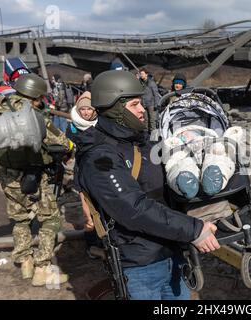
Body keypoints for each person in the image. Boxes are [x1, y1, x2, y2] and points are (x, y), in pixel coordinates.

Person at [77, 70, 220, 300]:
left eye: (142, 103)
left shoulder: (142, 143)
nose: (142, 109)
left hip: (172, 252)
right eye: (135, 104)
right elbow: (133, 208)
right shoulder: (99, 156)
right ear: (115, 108)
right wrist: (193, 230)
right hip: (140, 266)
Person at [0, 73, 73, 287]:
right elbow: (62, 142)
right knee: (51, 220)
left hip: (8, 176)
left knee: (20, 220)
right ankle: (42, 269)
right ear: (36, 95)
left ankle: (25, 262)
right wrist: (71, 147)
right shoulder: (35, 116)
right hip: (34, 176)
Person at [65, 91, 101, 256]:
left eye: (89, 109)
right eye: (82, 109)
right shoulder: (73, 127)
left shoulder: (102, 124)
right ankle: (92, 243)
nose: (86, 112)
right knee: (87, 208)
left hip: (101, 169)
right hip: (82, 169)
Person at [138, 68, 161, 132]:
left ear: (146, 74)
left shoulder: (151, 83)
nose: (141, 75)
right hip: (144, 104)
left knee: (152, 120)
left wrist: (156, 104)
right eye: (140, 74)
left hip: (151, 104)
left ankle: (153, 137)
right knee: (145, 120)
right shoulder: (140, 82)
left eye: (142, 74)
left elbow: (156, 94)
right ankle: (146, 135)